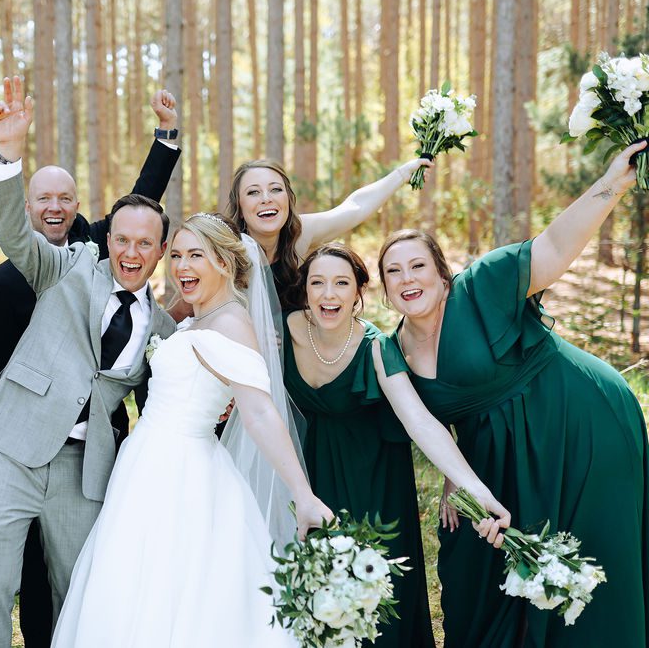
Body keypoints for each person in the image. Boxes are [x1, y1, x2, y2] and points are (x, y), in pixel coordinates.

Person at [376, 141, 649, 647]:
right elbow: (429, 425)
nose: (406, 278)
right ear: (384, 288)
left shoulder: (484, 284)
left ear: (441, 273)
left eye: (417, 266)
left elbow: (555, 246)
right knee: (480, 570)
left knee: (591, 555)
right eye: (393, 271)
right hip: (497, 459)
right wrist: (459, 478)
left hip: (579, 419)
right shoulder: (393, 351)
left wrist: (615, 181)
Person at [50, 212, 333, 647]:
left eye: (195, 255)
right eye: (177, 254)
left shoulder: (230, 324)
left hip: (180, 471)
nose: (181, 266)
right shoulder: (199, 317)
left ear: (223, 261)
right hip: (147, 464)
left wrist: (303, 494)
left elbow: (259, 412)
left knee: (173, 587)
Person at [0, 76, 177, 647]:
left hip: (83, 471)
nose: (131, 252)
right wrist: (9, 152)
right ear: (109, 241)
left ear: (161, 252)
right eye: (122, 240)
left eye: (145, 245)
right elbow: (12, 231)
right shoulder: (67, 266)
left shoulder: (163, 329)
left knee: (78, 591)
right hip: (11, 448)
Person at [282, 242, 510, 647]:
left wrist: (467, 483)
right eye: (317, 283)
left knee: (377, 585)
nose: (328, 294)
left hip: (375, 479)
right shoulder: (285, 331)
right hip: (312, 467)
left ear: (359, 292)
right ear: (304, 291)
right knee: (318, 581)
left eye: (341, 283)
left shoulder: (377, 346)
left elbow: (419, 419)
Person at [225, 158, 430, 306]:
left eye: (276, 189)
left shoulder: (300, 234)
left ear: (288, 199)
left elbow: (354, 209)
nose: (266, 198)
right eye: (253, 192)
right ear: (240, 207)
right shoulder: (226, 250)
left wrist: (402, 174)